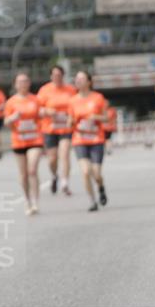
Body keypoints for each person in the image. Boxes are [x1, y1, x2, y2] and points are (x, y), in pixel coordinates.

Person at [4, 72, 44, 214]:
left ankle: (35, 201)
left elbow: (41, 115)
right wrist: (13, 118)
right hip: (19, 141)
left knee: (32, 170)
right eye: (20, 81)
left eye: (25, 81)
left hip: (35, 139)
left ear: (29, 83)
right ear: (15, 84)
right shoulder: (11, 102)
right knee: (23, 174)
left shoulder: (36, 100)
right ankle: (27, 201)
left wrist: (43, 113)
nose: (23, 84)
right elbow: (6, 122)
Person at [69, 71, 109, 211]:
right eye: (77, 78)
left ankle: (101, 187)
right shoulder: (72, 100)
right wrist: (72, 122)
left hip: (96, 139)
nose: (78, 81)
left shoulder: (98, 98)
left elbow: (106, 118)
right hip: (79, 139)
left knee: (96, 173)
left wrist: (95, 117)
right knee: (85, 171)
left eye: (82, 78)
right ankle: (92, 201)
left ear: (89, 82)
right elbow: (69, 121)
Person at [37, 65, 76, 196]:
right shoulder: (44, 90)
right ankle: (54, 175)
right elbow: (38, 110)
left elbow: (76, 107)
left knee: (64, 153)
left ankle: (65, 182)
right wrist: (47, 111)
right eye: (54, 75)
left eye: (59, 75)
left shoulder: (71, 90)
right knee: (52, 159)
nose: (57, 77)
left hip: (66, 127)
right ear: (51, 76)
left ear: (63, 76)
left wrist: (70, 115)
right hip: (50, 128)